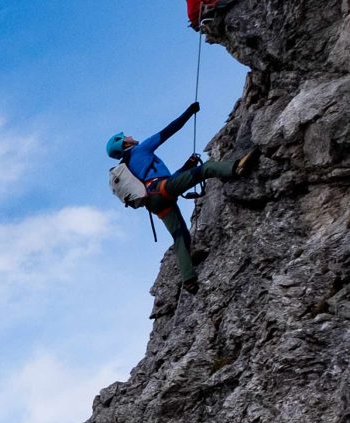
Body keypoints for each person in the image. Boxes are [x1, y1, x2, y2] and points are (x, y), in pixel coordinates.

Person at [106, 103, 256, 291]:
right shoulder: (140, 150)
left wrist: (186, 166)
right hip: (161, 189)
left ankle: (189, 279)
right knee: (206, 169)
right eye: (126, 137)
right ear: (123, 143)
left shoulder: (128, 168)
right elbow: (169, 130)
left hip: (154, 202)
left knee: (180, 236)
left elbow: (164, 180)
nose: (130, 136)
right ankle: (235, 168)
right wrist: (189, 112)